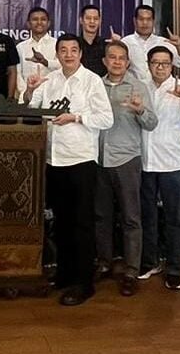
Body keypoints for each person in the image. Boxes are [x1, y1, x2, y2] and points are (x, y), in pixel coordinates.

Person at [24, 33, 113, 306]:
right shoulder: (50, 79)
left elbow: (106, 119)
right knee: (61, 222)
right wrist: (30, 90)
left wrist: (76, 117)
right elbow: (31, 110)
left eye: (74, 50)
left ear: (80, 54)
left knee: (82, 223)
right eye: (63, 50)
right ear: (57, 54)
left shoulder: (92, 81)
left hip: (81, 160)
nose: (69, 55)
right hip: (54, 160)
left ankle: (84, 283)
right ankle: (64, 273)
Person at [94, 41, 158, 297]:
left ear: (128, 62)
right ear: (105, 61)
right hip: (98, 159)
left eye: (122, 58)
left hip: (127, 159)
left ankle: (131, 270)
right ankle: (104, 262)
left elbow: (152, 123)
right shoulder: (95, 85)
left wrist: (140, 110)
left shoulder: (138, 87)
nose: (117, 62)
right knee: (102, 216)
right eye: (112, 57)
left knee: (131, 218)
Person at [139, 45, 180, 291]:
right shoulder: (140, 86)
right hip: (144, 161)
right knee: (148, 215)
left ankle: (174, 268)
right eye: (156, 62)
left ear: (172, 65)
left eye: (165, 63)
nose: (160, 67)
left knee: (175, 218)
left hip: (173, 162)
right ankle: (150, 261)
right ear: (149, 64)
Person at [119, 4, 180, 82]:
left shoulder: (163, 42)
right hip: (134, 87)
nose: (145, 23)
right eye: (141, 19)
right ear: (135, 21)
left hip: (160, 87)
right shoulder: (125, 42)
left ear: (153, 21)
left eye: (148, 19)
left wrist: (179, 47)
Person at [16, 7, 59, 101]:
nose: (39, 22)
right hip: (27, 98)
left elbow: (62, 68)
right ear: (28, 24)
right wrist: (26, 93)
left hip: (52, 98)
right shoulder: (21, 47)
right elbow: (18, 74)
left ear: (48, 23)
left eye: (43, 19)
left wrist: (45, 62)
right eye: (35, 19)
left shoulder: (57, 45)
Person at [77, 5, 119, 77]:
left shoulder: (107, 45)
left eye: (96, 19)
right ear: (81, 20)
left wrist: (117, 45)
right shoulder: (75, 44)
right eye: (88, 18)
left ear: (100, 21)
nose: (92, 21)